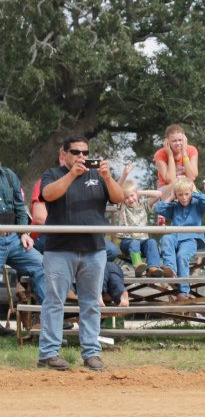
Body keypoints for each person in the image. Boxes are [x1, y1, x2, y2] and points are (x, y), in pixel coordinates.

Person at [38, 135, 124, 371]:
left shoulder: (99, 175)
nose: (82, 157)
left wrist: (107, 176)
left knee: (91, 303)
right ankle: (48, 354)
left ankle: (91, 353)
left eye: (85, 153)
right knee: (54, 301)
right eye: (76, 152)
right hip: (59, 249)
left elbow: (119, 198)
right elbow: (48, 195)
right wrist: (72, 174)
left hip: (94, 249)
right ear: (63, 154)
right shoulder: (53, 174)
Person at [155, 179, 205, 301]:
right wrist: (171, 197)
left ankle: (184, 291)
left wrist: (194, 192)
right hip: (176, 236)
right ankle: (170, 269)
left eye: (187, 194)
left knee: (182, 256)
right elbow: (159, 208)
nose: (184, 198)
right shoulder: (175, 206)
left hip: (191, 238)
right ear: (176, 195)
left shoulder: (197, 204)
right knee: (166, 238)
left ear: (191, 193)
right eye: (180, 195)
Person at [0, 158, 45, 305]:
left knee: (42, 265)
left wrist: (24, 233)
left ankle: (49, 318)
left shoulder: (8, 175)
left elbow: (20, 207)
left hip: (13, 238)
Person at [115, 177, 167, 277]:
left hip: (142, 241)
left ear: (137, 194)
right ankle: (137, 265)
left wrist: (140, 192)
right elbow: (117, 192)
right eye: (126, 197)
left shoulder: (143, 205)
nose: (130, 199)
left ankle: (153, 267)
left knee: (152, 242)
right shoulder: (122, 206)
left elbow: (159, 194)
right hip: (127, 242)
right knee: (134, 242)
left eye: (132, 195)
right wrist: (125, 175)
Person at [154, 124, 199, 189]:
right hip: (167, 188)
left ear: (184, 139)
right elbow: (170, 180)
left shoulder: (192, 150)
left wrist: (184, 154)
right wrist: (170, 155)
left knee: (193, 189)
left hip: (186, 188)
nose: (178, 143)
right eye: (174, 141)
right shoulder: (159, 154)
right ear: (167, 141)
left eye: (180, 140)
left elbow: (192, 177)